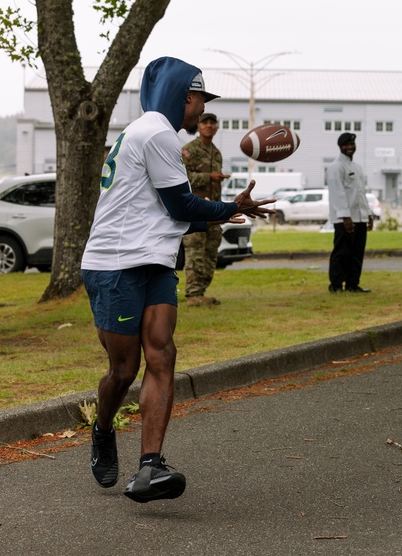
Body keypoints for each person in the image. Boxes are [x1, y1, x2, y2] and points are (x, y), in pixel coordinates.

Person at [82, 56, 273, 503]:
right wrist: (229, 209)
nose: (201, 111)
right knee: (123, 369)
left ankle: (150, 466)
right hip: (114, 264)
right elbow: (182, 206)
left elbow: (166, 216)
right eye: (199, 100)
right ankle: (103, 428)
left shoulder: (150, 132)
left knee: (162, 352)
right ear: (183, 96)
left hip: (154, 261)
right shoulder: (156, 134)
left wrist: (226, 210)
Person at [181, 112, 230, 306]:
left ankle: (202, 291)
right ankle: (193, 294)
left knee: (211, 252)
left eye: (212, 123)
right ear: (198, 127)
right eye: (205, 123)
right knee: (195, 251)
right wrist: (209, 177)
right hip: (195, 209)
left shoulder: (216, 153)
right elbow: (183, 178)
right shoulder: (189, 150)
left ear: (216, 128)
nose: (209, 126)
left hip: (213, 210)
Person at [326, 132, 374, 293]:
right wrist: (345, 216)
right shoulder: (335, 167)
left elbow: (361, 193)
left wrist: (369, 214)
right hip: (344, 219)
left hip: (359, 217)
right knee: (342, 252)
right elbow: (338, 194)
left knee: (356, 253)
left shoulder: (357, 168)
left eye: (352, 144)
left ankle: (353, 284)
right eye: (346, 145)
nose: (350, 147)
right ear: (340, 147)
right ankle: (336, 284)